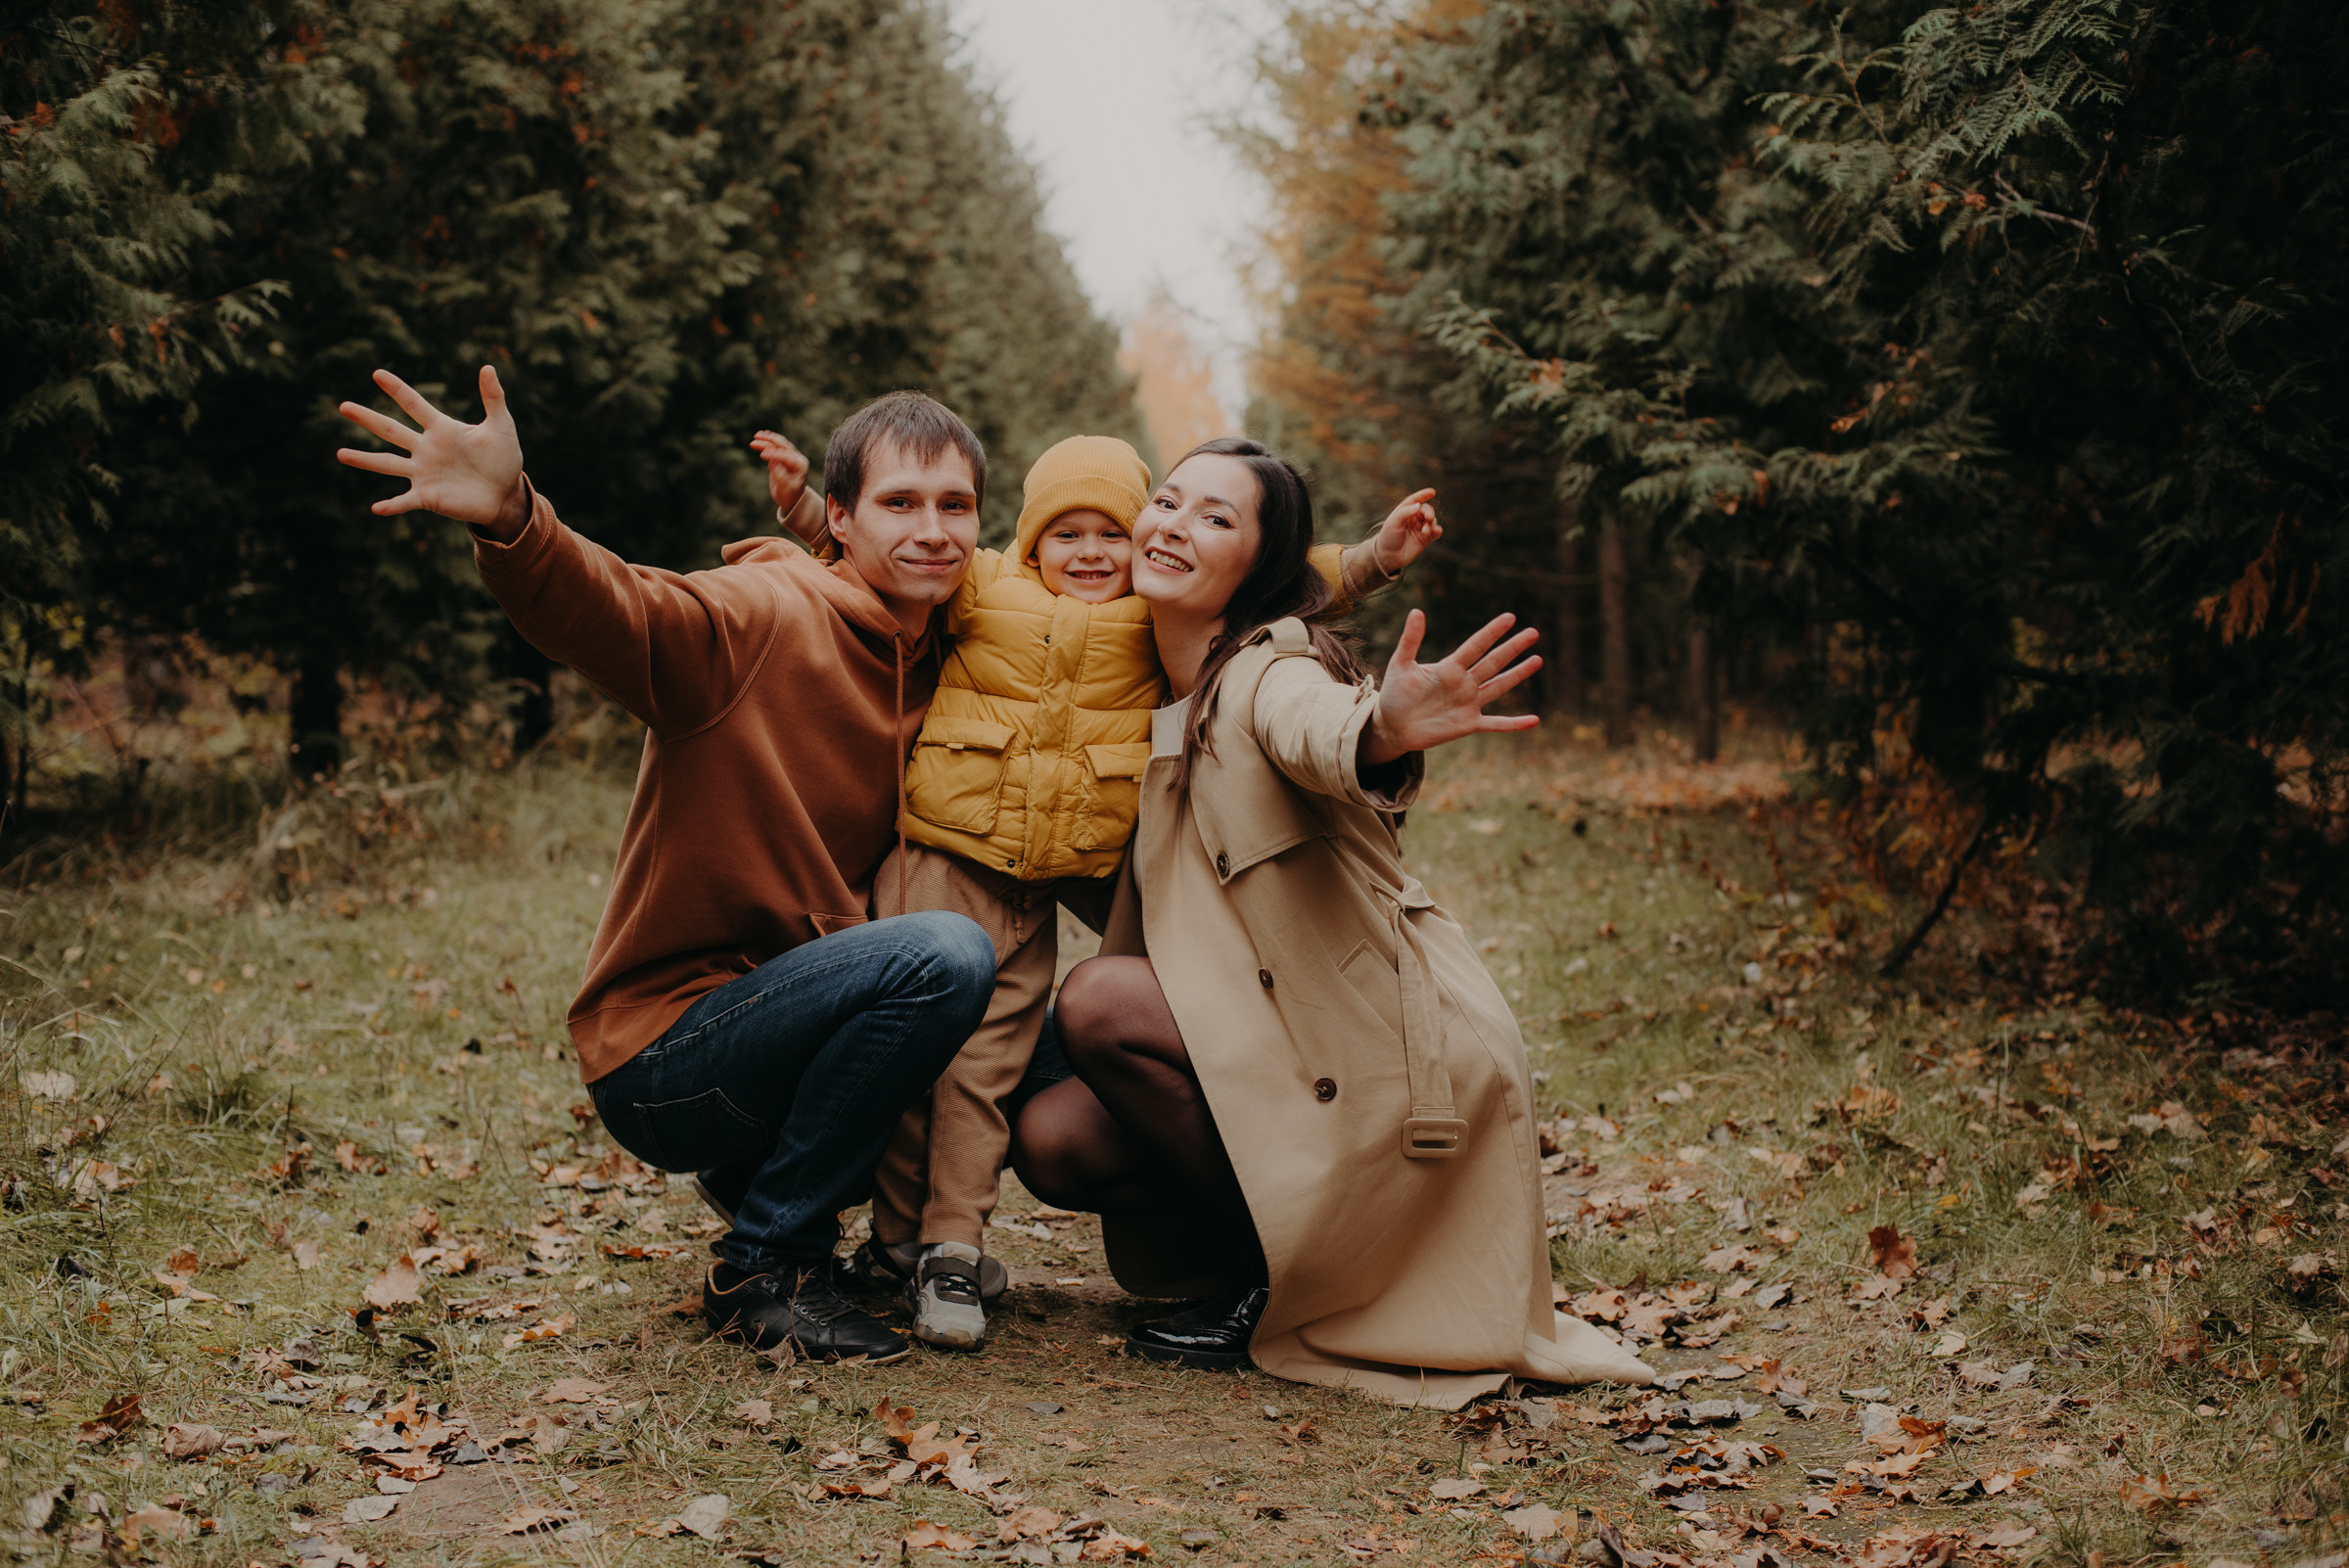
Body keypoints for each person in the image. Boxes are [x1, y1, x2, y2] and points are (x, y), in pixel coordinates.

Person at [334, 368, 999, 1364]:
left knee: (1029, 1036)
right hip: (669, 1055)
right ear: (843, 521)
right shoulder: (766, 613)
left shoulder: (953, 651)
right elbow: (626, 612)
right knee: (945, 955)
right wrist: (514, 519)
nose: (934, 530)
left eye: (956, 506)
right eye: (900, 504)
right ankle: (765, 1268)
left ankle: (767, 1183)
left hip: (790, 1019)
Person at [746, 430, 1439, 1354]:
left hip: (1034, 892)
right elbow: (899, 554)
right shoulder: (986, 586)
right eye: (1065, 533)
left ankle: (951, 1249)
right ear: (1030, 539)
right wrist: (805, 512)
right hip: (936, 863)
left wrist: (1375, 560)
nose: (1091, 553)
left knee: (985, 1069)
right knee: (903, 1063)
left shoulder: (1152, 617)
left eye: (1112, 532)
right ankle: (886, 1240)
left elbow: (1279, 573)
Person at [1007, 437, 1657, 1407]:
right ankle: (1270, 1251)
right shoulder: (1150, 686)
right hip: (1284, 1031)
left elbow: (1320, 727)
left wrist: (1382, 729)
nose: (1174, 527)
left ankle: (1284, 1284)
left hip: (1372, 1043)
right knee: (1055, 1138)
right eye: (1169, 501)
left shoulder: (1268, 669)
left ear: (1258, 567)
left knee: (1099, 1001)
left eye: (1216, 518)